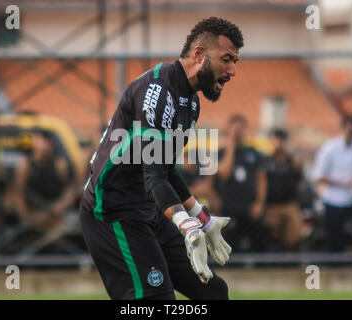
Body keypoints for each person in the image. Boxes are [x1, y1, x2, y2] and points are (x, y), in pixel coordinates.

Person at [79, 17, 243, 300]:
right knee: (156, 301)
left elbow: (165, 170)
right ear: (199, 55)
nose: (232, 70)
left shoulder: (190, 101)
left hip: (149, 208)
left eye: (235, 61)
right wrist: (186, 223)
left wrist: (201, 217)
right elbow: (152, 173)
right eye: (227, 59)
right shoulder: (158, 92)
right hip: (113, 211)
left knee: (214, 292)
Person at [215, 114, 270, 252]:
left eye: (241, 130)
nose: (238, 134)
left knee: (259, 239)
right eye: (235, 130)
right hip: (230, 207)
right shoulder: (221, 153)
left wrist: (259, 203)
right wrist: (231, 145)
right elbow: (225, 172)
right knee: (231, 241)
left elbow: (261, 179)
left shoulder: (253, 153)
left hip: (251, 207)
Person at [311, 115, 352, 252]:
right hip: (333, 199)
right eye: (349, 131)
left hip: (351, 198)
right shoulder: (330, 148)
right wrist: (341, 183)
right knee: (335, 235)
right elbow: (318, 176)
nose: (351, 135)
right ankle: (335, 264)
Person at [14, 129, 76, 232]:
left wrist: (57, 209)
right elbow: (17, 193)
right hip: (33, 214)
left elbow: (69, 192)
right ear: (34, 142)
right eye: (41, 141)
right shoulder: (25, 166)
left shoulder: (60, 165)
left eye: (47, 141)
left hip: (55, 214)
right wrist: (26, 216)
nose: (44, 145)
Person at [263, 129, 304, 250]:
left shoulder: (293, 161)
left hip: (289, 203)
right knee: (272, 231)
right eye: (276, 140)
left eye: (281, 140)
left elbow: (299, 181)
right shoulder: (266, 162)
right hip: (272, 204)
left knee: (295, 234)